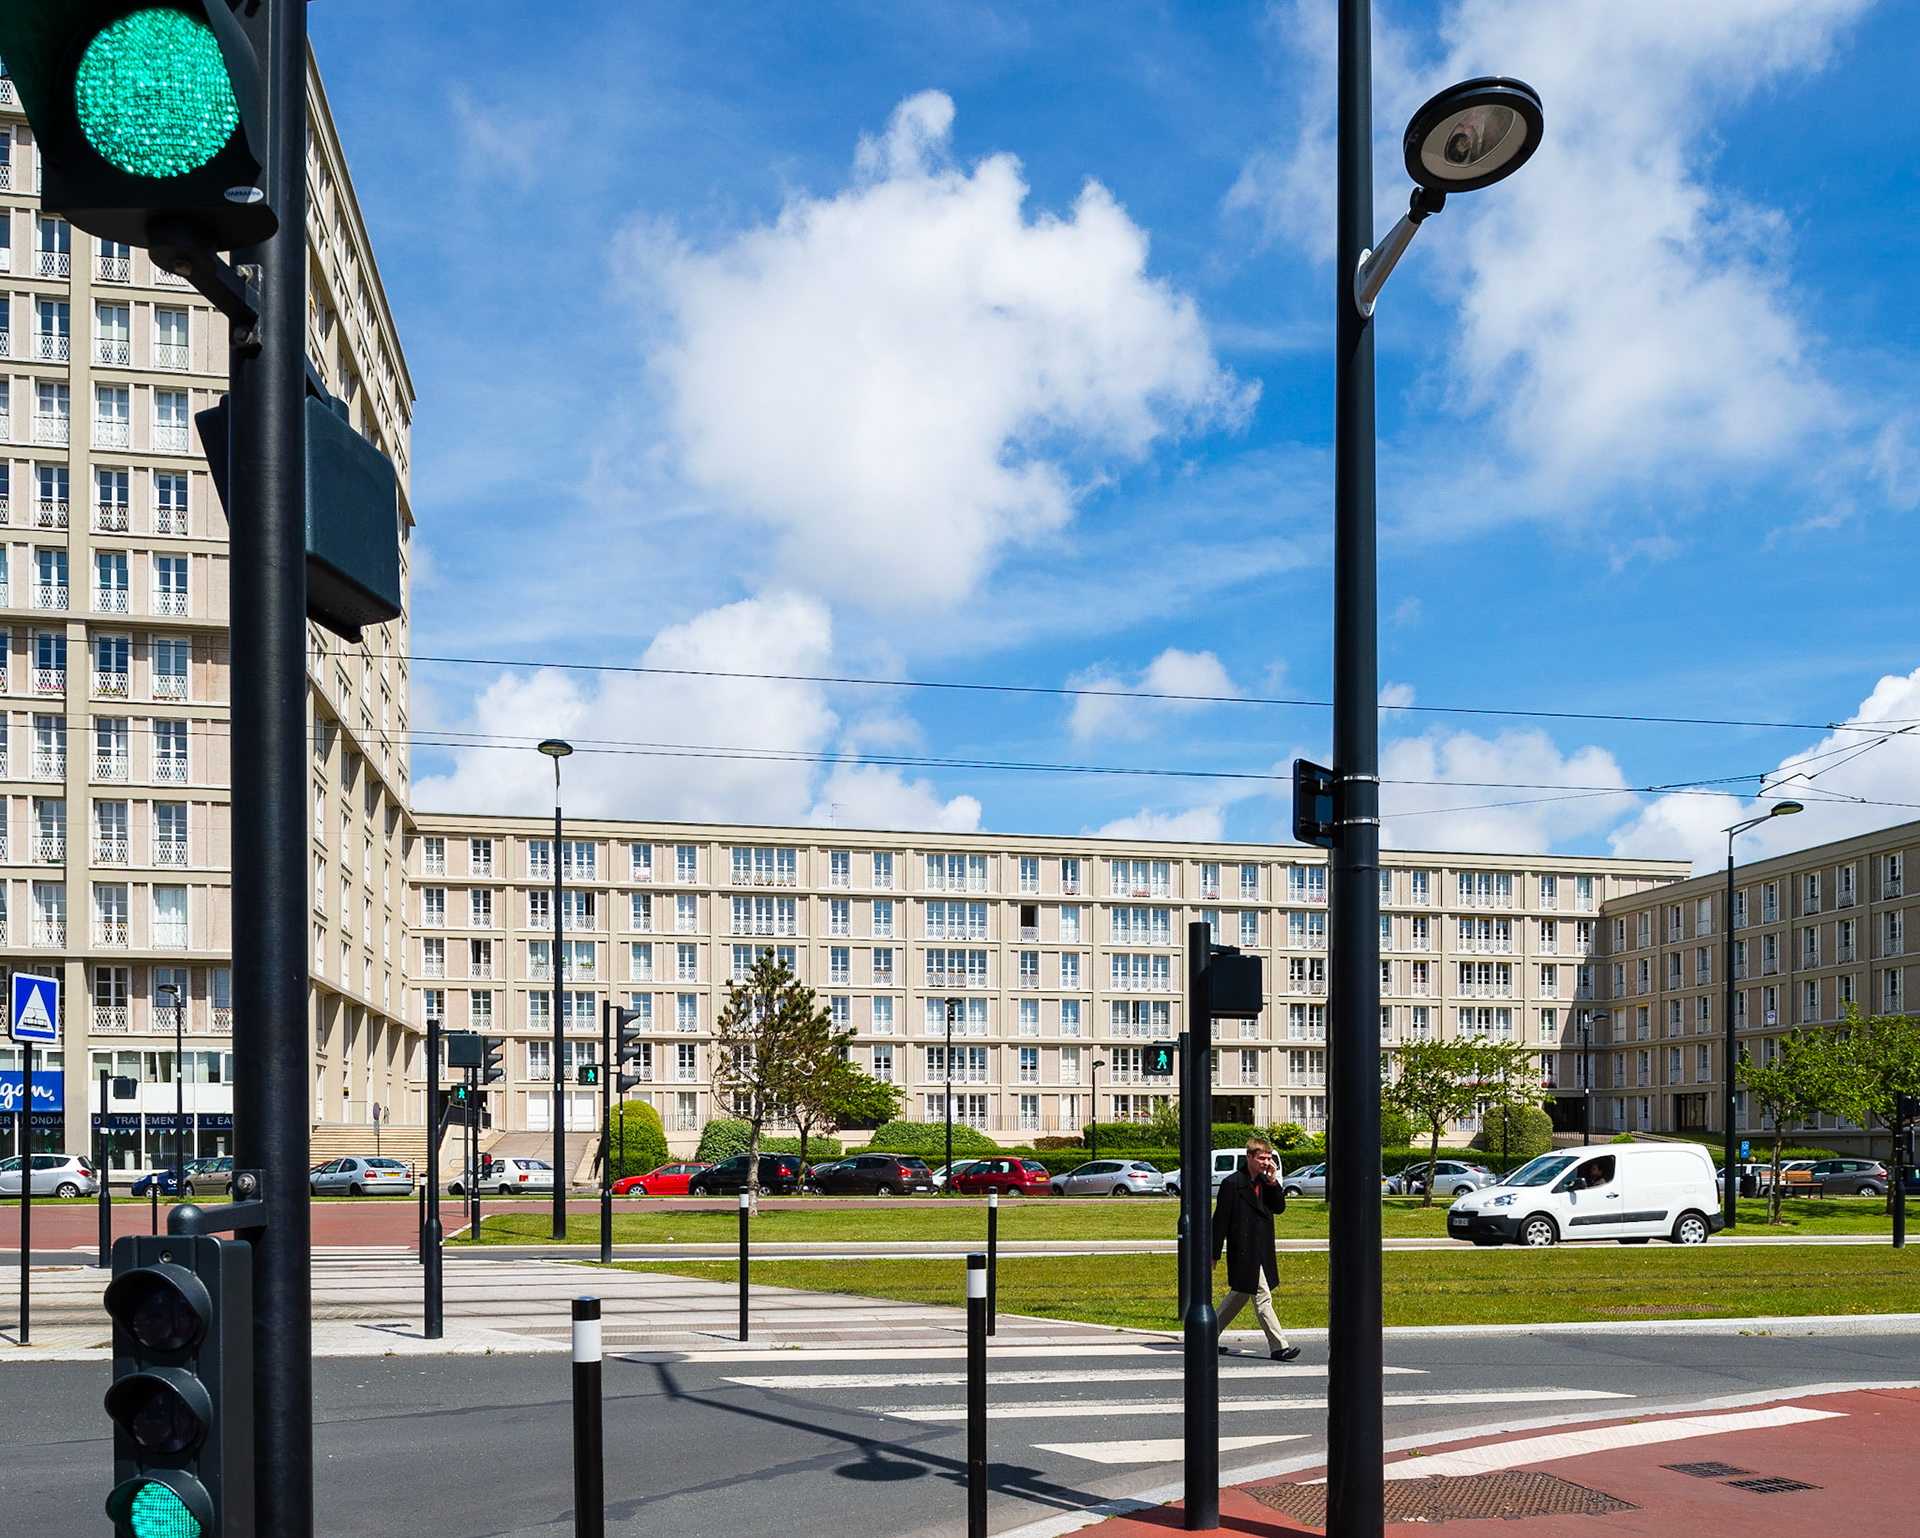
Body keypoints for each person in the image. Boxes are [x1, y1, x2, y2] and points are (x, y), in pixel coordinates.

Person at [1212, 1135, 1300, 1361]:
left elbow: (1279, 1208)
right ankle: (1279, 1346)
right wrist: (1214, 1254)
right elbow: (1219, 1221)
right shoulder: (1232, 1183)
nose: (1266, 1163)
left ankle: (1205, 1336)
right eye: (1262, 1158)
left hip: (1262, 1249)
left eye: (1269, 1158)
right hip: (1243, 1251)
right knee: (1263, 1297)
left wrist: (1272, 1182)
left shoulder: (1266, 1183)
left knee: (1241, 1294)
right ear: (1249, 1157)